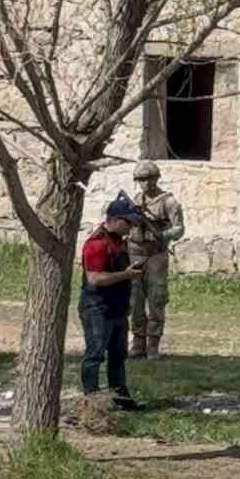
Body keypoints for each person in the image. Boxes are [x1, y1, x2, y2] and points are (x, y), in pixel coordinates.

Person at [81, 194, 145, 409]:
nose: (131, 228)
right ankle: (92, 400)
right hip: (97, 306)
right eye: (129, 223)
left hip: (117, 308)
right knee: (95, 354)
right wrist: (126, 275)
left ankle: (121, 397)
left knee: (118, 355)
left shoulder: (119, 242)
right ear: (116, 220)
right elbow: (95, 278)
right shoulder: (97, 244)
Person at [126, 161, 184, 360]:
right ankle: (138, 343)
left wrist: (162, 234)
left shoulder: (168, 202)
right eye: (141, 180)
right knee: (135, 300)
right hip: (135, 253)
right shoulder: (136, 200)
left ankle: (153, 344)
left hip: (156, 254)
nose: (145, 183)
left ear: (156, 178)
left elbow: (179, 228)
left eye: (149, 178)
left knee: (157, 298)